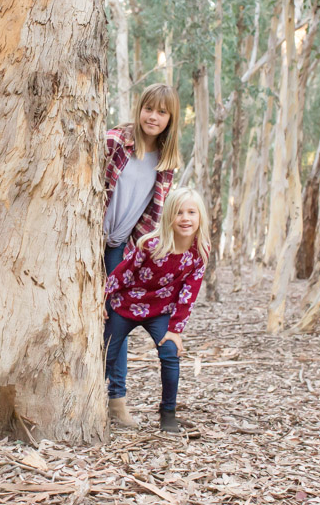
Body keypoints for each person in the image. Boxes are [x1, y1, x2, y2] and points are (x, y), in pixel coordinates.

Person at [103, 83, 182, 428]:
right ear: (139, 109)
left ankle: (115, 401)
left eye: (162, 112)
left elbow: (159, 216)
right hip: (83, 239)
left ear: (170, 119)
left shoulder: (165, 162)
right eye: (149, 108)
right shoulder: (115, 141)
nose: (153, 117)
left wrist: (193, 242)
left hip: (120, 247)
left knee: (115, 320)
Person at [104, 187, 210, 432]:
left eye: (191, 212)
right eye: (179, 212)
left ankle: (168, 413)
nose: (185, 218)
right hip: (126, 305)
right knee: (106, 355)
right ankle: (94, 404)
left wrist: (175, 329)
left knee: (170, 354)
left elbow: (189, 293)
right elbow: (124, 272)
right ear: (168, 217)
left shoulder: (199, 252)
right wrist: (105, 297)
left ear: (200, 216)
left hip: (160, 311)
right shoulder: (151, 244)